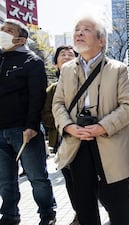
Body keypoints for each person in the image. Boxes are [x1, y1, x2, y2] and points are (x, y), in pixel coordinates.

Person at [52, 14, 129, 225]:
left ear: (101, 40)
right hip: (77, 142)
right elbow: (58, 104)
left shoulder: (118, 69)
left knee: (119, 205)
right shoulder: (67, 70)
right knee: (85, 206)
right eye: (77, 29)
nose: (79, 33)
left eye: (86, 29)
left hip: (111, 142)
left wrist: (102, 126)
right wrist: (69, 127)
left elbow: (128, 107)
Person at [0, 19, 57, 225]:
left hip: (24, 130)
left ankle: (47, 213)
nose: (2, 33)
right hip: (0, 131)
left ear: (21, 38)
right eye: (1, 30)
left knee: (37, 177)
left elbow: (37, 97)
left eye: (8, 31)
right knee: (5, 180)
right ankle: (9, 214)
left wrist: (32, 125)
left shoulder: (32, 61)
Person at [41, 45, 80, 225]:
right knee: (71, 182)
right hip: (63, 142)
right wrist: (67, 126)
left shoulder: (85, 82)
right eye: (62, 55)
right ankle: (79, 214)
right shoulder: (52, 90)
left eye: (70, 54)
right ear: (56, 63)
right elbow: (47, 116)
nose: (66, 56)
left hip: (87, 138)